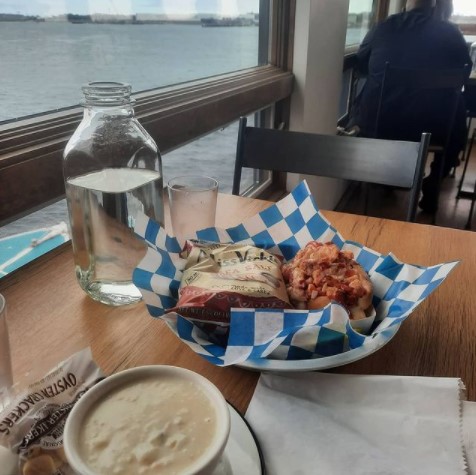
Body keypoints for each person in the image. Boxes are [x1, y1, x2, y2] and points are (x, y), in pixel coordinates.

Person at [348, 0, 472, 213]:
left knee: (375, 99)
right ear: (434, 5)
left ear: (405, 4)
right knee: (456, 111)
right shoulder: (451, 33)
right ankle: (434, 181)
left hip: (381, 123)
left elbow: (361, 63)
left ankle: (385, 179)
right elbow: (464, 73)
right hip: (434, 129)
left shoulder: (383, 27)